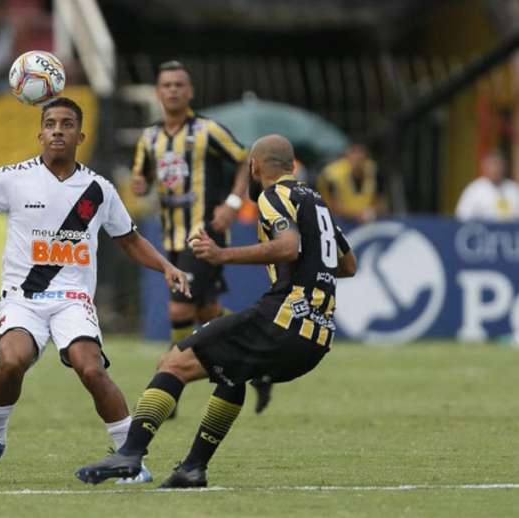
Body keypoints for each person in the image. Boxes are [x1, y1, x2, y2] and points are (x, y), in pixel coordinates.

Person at [0, 97, 190, 484]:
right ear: (39, 133)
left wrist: (166, 266)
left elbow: (129, 240)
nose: (57, 130)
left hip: (72, 299)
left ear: (81, 134)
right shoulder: (13, 178)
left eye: (66, 124)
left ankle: (128, 456)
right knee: (12, 360)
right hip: (23, 298)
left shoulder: (99, 189)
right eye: (50, 124)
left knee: (90, 367)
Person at [76, 135, 357, 488]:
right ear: (293, 165)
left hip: (284, 318)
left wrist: (224, 255)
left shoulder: (274, 195)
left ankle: (130, 453)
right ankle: (193, 468)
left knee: (173, 363)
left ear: (254, 167)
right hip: (316, 337)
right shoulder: (317, 204)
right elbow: (348, 265)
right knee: (231, 375)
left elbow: (288, 247)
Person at [131, 60, 272, 414]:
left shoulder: (208, 130)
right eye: (167, 85)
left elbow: (247, 159)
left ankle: (170, 379)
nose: (173, 90)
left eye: (180, 84)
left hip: (204, 233)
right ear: (158, 92)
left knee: (180, 306)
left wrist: (234, 202)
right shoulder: (148, 137)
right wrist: (140, 183)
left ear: (190, 91)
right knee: (208, 311)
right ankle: (260, 362)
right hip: (171, 238)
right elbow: (143, 176)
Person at [317, 142, 382, 224]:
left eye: (360, 152)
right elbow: (331, 204)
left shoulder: (374, 171)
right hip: (338, 219)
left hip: (367, 218)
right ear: (346, 156)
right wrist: (356, 215)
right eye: (354, 152)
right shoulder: (332, 175)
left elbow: (380, 200)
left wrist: (372, 211)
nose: (357, 157)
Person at [455, 151, 519, 221]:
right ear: (485, 167)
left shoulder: (513, 188)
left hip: (511, 230)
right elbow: (462, 215)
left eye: (498, 165)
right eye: (492, 165)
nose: (496, 169)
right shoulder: (474, 189)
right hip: (483, 230)